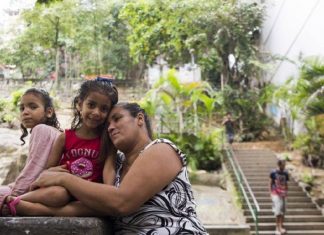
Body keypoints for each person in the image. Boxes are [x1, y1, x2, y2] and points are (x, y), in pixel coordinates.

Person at [6, 102, 208, 234]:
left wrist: (64, 179)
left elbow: (122, 202)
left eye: (117, 118)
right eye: (107, 124)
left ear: (139, 119)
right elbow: (89, 201)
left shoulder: (160, 149)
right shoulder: (114, 168)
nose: (110, 127)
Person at [3, 77, 118, 216]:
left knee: (95, 206)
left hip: (88, 192)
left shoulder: (107, 142)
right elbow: (47, 170)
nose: (96, 112)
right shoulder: (65, 137)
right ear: (80, 105)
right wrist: (53, 172)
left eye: (104, 109)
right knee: (59, 194)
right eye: (91, 105)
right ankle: (15, 202)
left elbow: (109, 176)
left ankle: (21, 206)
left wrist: (107, 191)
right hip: (62, 189)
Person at [0, 88, 62, 215]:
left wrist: (14, 196)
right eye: (22, 108)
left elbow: (34, 170)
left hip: (42, 193)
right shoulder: (52, 132)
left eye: (32, 107)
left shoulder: (41, 130)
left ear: (49, 112)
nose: (25, 112)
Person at [269, 159, 289, 235]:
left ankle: (281, 227)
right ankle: (277, 228)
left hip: (283, 194)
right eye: (283, 165)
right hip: (276, 193)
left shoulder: (285, 173)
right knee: (278, 211)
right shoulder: (273, 172)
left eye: (285, 165)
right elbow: (270, 183)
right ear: (279, 164)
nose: (284, 166)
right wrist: (270, 193)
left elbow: (286, 183)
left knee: (283, 211)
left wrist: (286, 192)